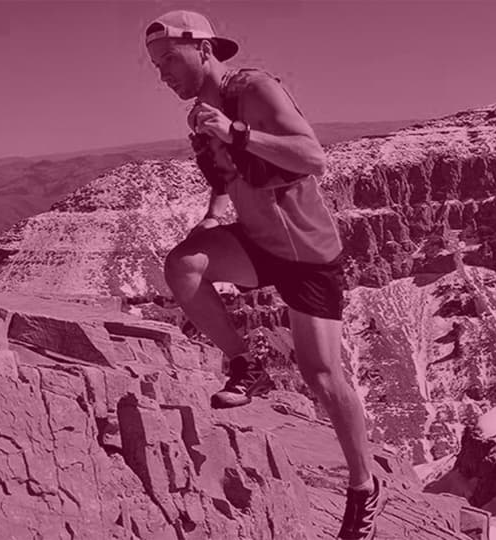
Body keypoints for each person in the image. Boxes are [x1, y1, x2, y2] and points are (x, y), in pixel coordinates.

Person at [145, 10, 387, 539]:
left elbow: (312, 157)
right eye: (156, 67)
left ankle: (364, 485)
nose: (162, 75)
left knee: (322, 376)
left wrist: (236, 130)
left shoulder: (254, 88)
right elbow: (224, 178)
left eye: (169, 61)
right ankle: (245, 363)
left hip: (307, 253)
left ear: (203, 49)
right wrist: (213, 215)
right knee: (183, 266)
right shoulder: (200, 115)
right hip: (257, 242)